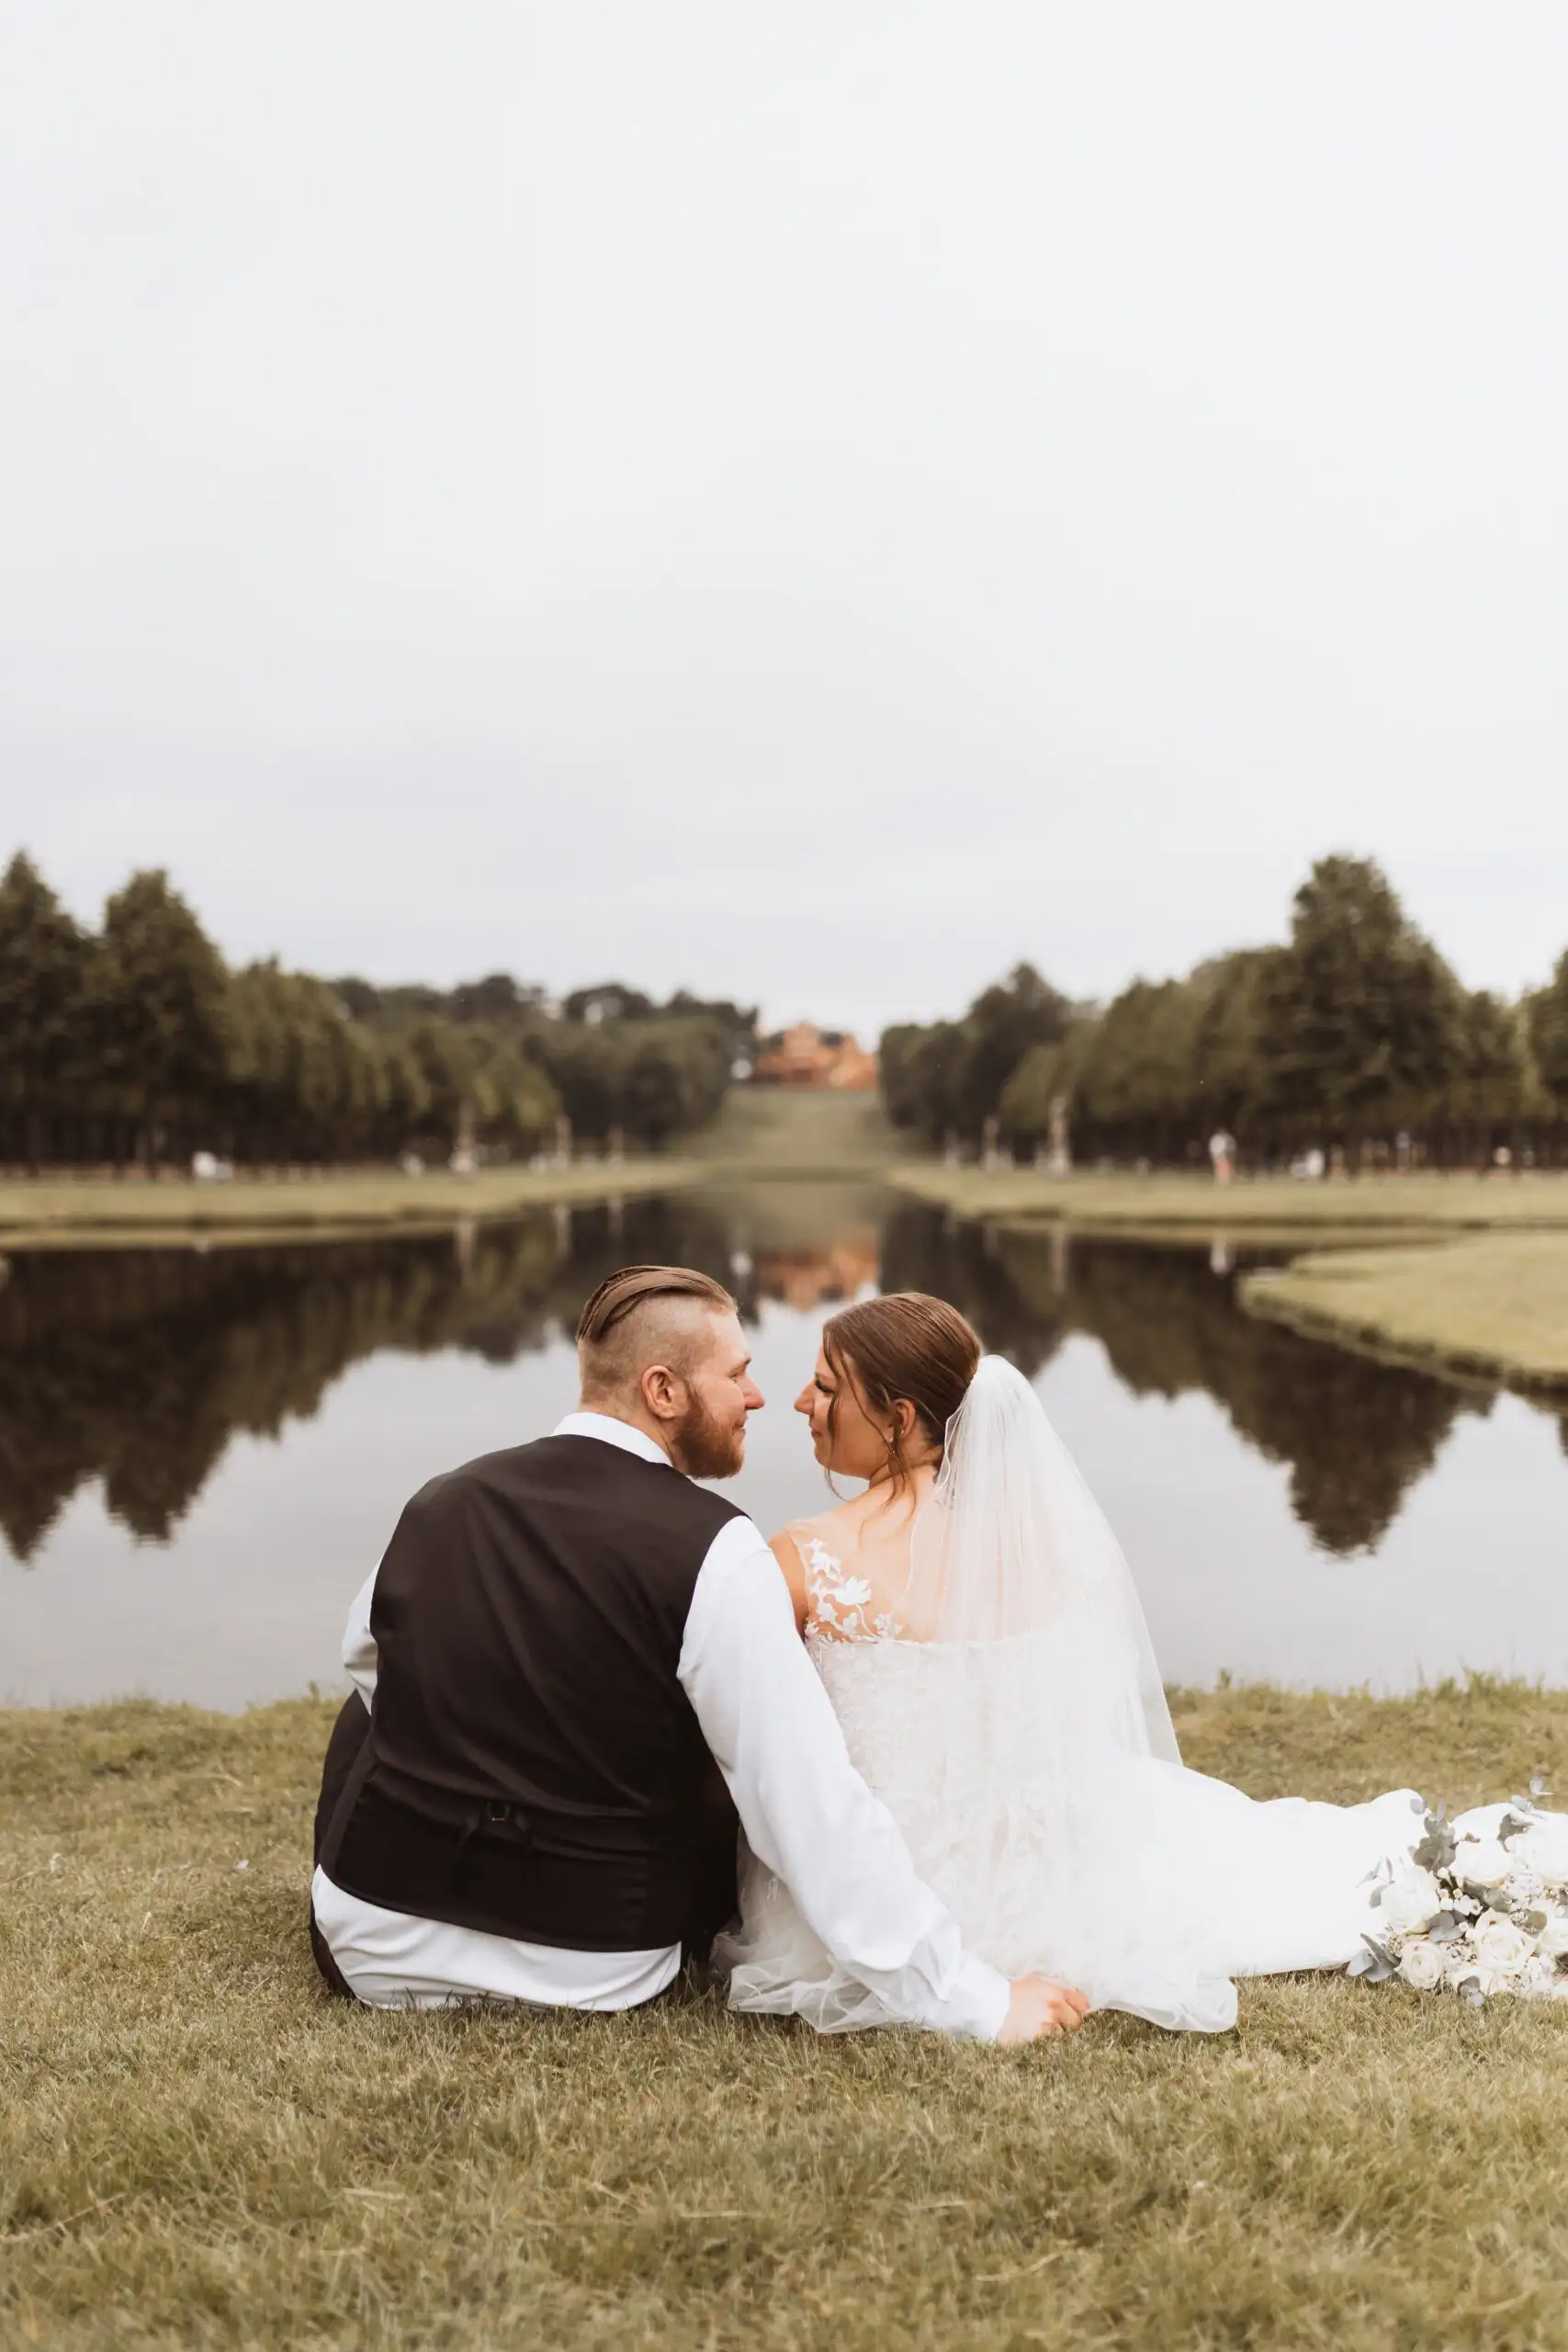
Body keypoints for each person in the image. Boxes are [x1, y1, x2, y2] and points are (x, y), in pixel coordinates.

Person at [309, 1264, 1083, 2044]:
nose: (756, 1397)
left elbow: (368, 1662)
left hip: (373, 1943)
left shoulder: (442, 1498)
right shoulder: (718, 1550)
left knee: (367, 1711)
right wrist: (974, 2001)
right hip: (593, 1964)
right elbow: (806, 1806)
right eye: (738, 1374)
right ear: (663, 1392)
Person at [716, 1293, 1478, 2033]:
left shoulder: (800, 1560)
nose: (797, 1403)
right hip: (1043, 1880)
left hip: (865, 1891)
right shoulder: (1043, 1548)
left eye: (823, 1388)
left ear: (899, 1419)